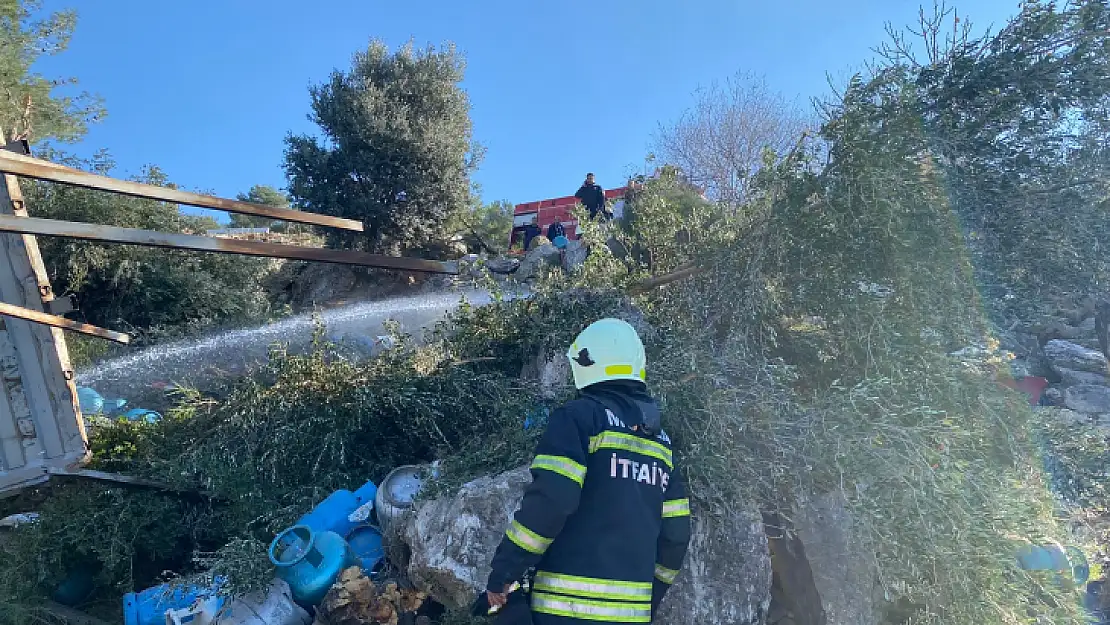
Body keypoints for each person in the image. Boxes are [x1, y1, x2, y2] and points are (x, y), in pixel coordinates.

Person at [480, 318, 692, 624]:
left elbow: (552, 502)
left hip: (563, 613)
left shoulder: (579, 420)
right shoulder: (661, 444)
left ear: (587, 363)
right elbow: (676, 535)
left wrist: (503, 573)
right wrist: (651, 597)